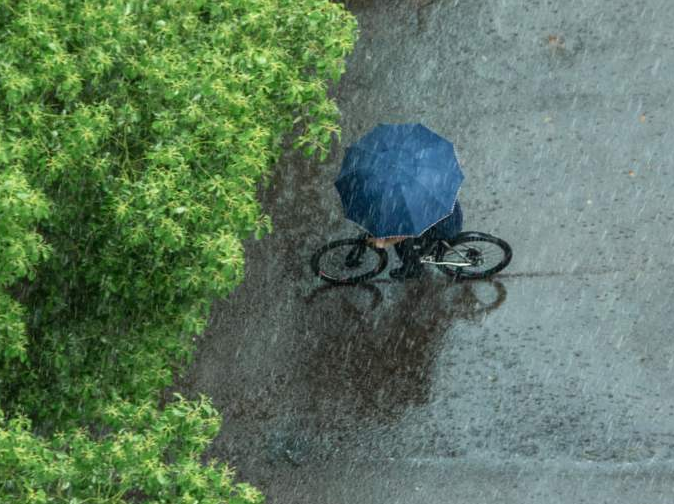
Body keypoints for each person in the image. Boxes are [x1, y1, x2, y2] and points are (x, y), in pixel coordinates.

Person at [368, 200, 463, 280]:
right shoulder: (418, 192)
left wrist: (385, 243)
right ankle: (423, 252)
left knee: (401, 240)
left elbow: (407, 232)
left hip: (447, 227)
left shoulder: (415, 203)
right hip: (449, 215)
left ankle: (413, 269)